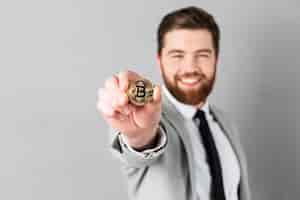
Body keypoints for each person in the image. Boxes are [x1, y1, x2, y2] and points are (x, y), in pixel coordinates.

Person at [96, 6, 251, 200]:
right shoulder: (146, 119)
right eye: (177, 55)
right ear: (160, 61)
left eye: (202, 55)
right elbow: (140, 145)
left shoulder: (226, 123)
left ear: (216, 59)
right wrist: (138, 136)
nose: (190, 68)